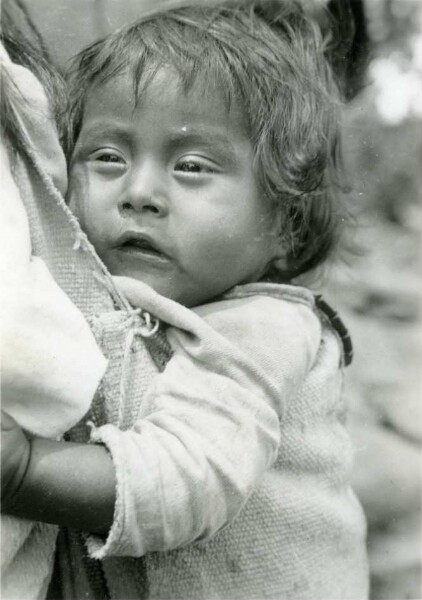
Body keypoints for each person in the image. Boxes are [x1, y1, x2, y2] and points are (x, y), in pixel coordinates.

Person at [1, 1, 369, 598]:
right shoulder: (87, 299)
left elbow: (191, 478)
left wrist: (22, 472)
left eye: (192, 166)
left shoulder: (268, 327)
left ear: (286, 226)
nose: (139, 192)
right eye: (108, 157)